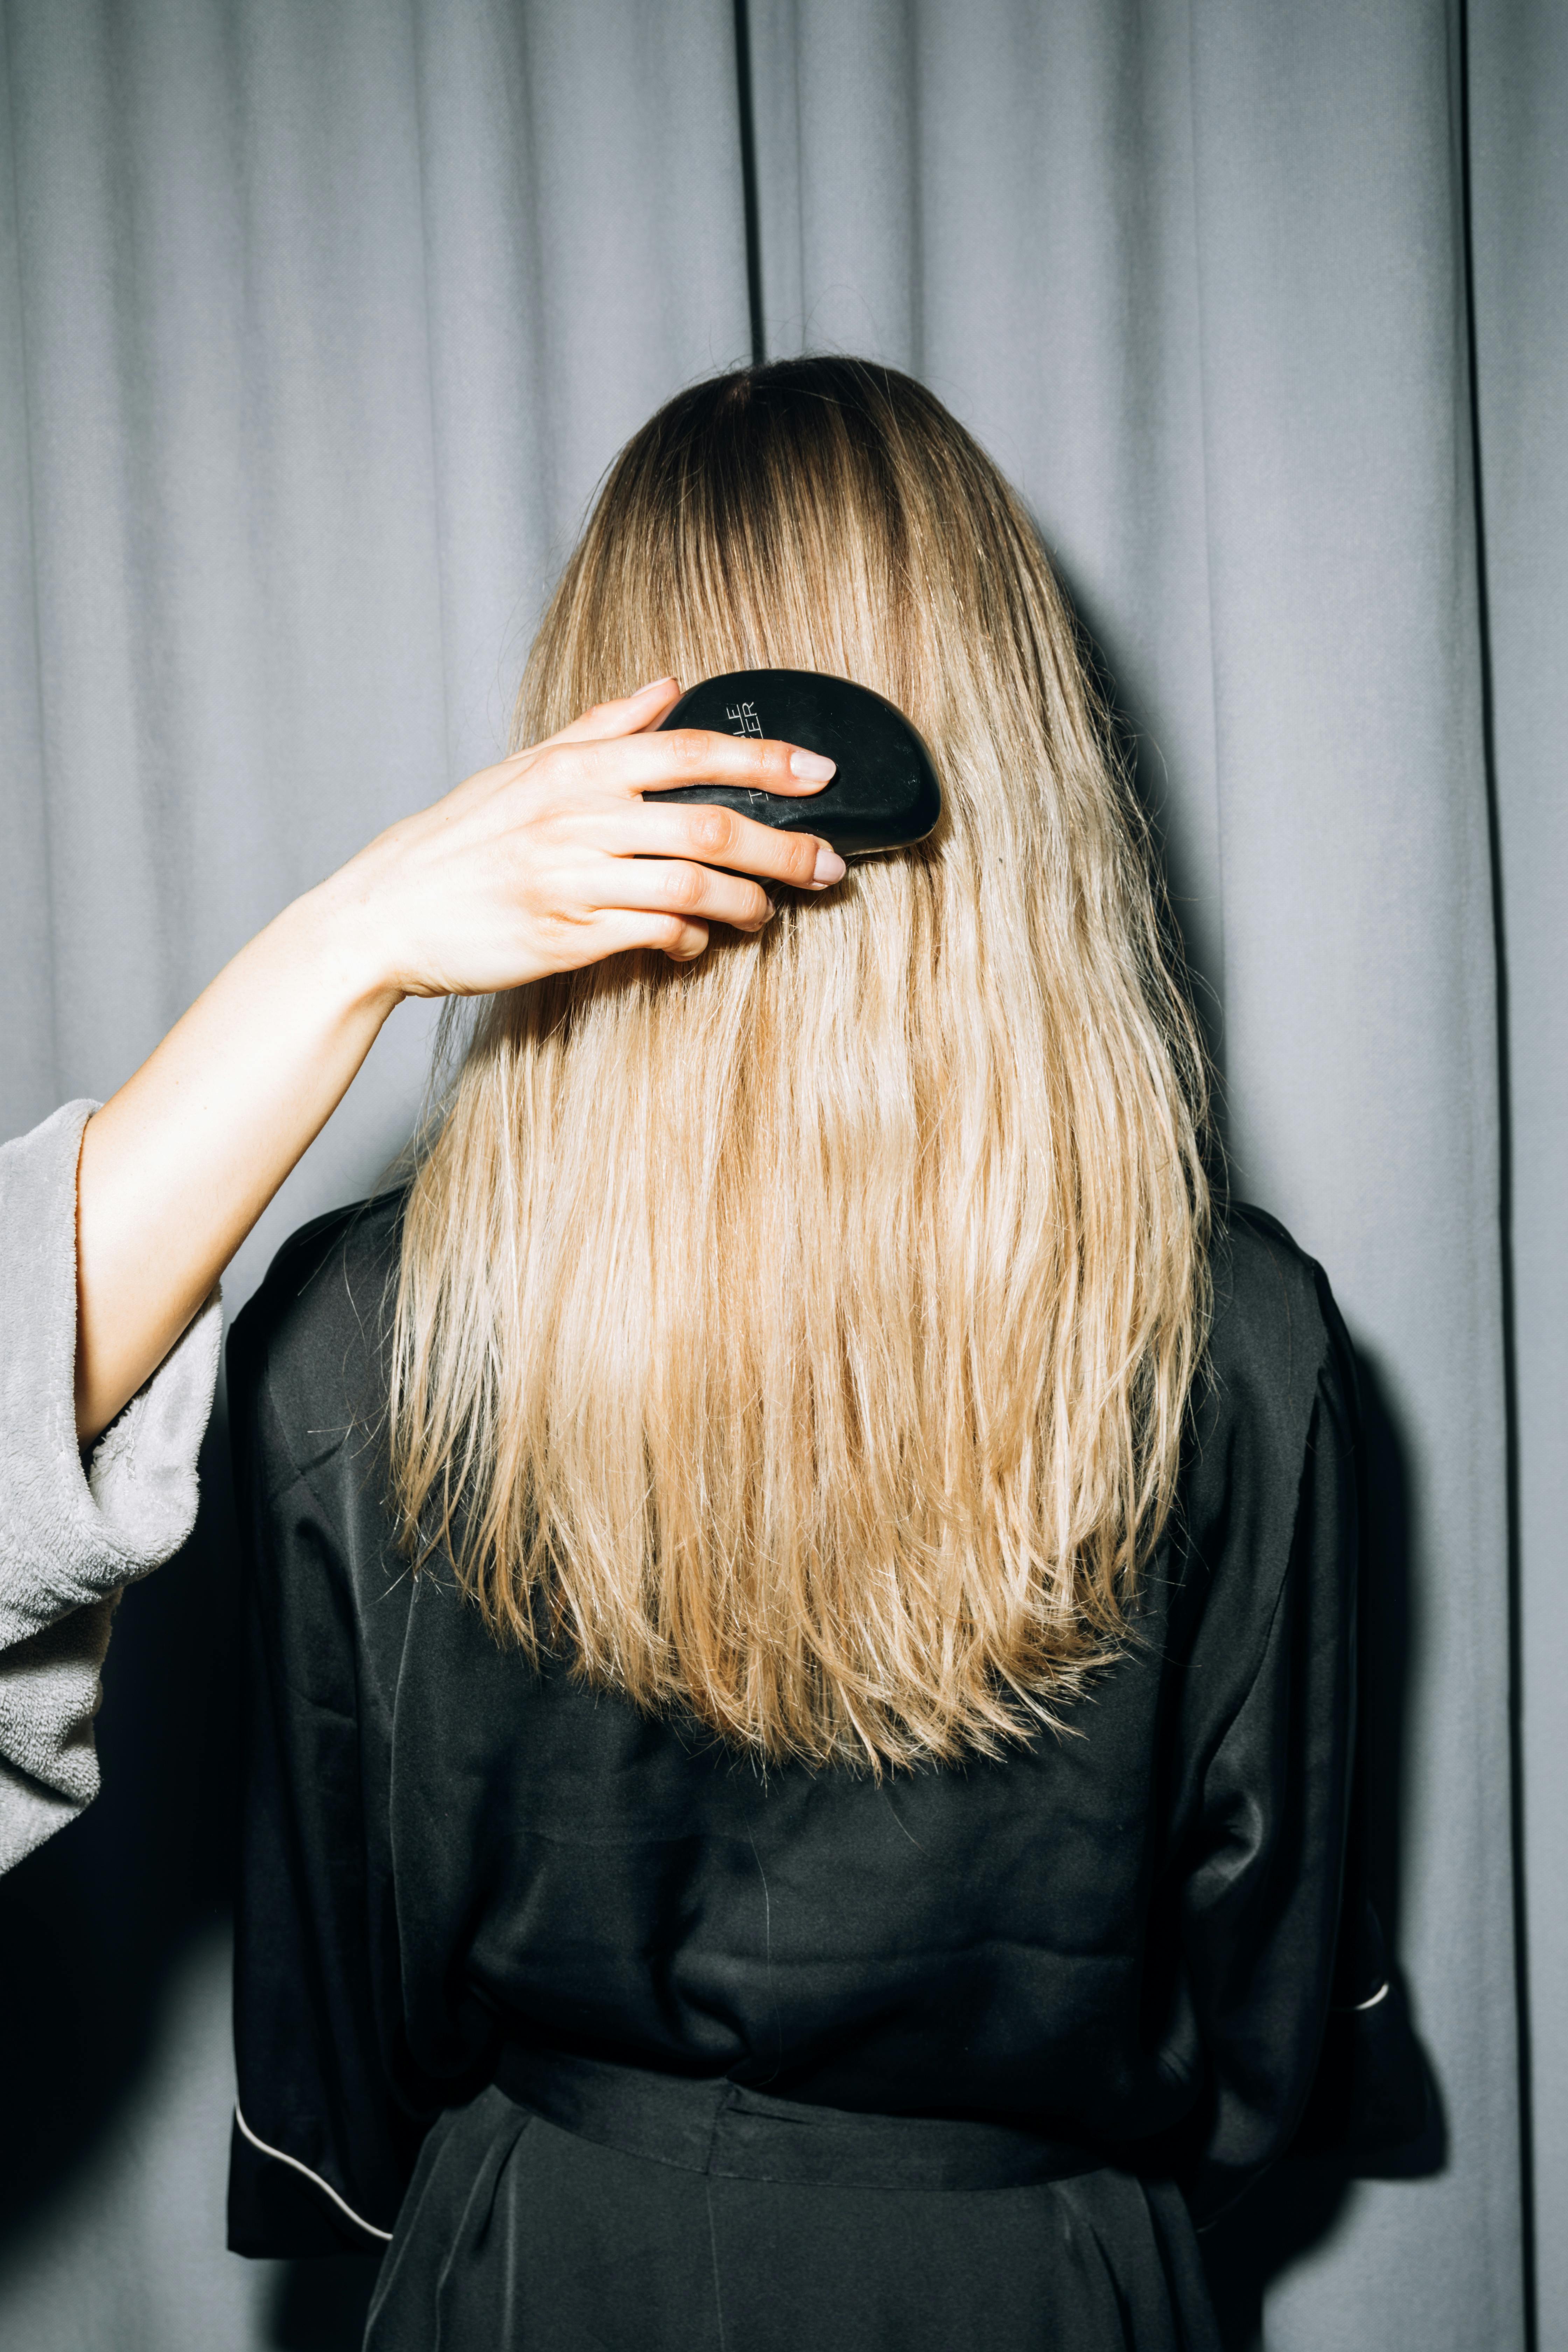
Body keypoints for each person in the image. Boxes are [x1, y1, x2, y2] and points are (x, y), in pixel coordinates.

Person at [226, 358, 1364, 2352]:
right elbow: (1261, 2008)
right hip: (1041, 2279)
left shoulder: (361, 1337)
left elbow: (341, 1999)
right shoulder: (1237, 1336)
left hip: (545, 2264)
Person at [0, 671, 841, 1873]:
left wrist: (357, 936)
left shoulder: (347, 1340)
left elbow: (323, 1935)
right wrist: (356, 938)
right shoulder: (1170, 1350)